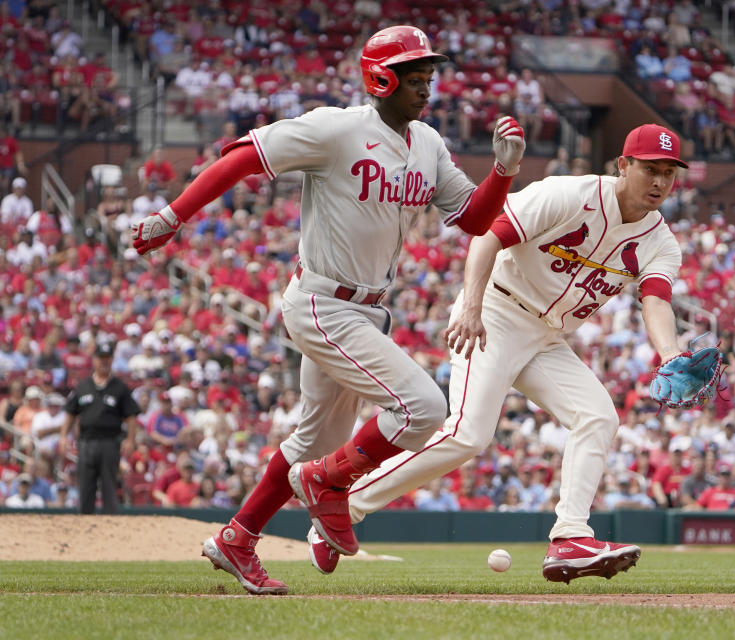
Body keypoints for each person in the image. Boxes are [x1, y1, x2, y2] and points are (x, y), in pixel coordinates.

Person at [130, 25, 525, 596]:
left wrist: (504, 172)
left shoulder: (429, 143)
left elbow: (471, 218)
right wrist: (173, 216)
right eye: (415, 78)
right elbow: (244, 158)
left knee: (311, 442)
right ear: (380, 79)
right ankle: (327, 483)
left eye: (429, 77)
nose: (426, 88)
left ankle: (237, 539)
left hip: (365, 311)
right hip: (322, 302)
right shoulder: (336, 129)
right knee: (423, 407)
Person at [329, 123, 689, 583]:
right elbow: (489, 236)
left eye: (669, 173)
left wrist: (672, 353)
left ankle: (570, 538)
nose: (660, 182)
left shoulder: (660, 241)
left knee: (598, 415)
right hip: (497, 311)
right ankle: (346, 505)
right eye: (650, 169)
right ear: (624, 165)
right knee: (467, 434)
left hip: (547, 337)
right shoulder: (568, 194)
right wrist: (473, 305)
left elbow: (656, 300)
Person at [60, 342, 140, 514]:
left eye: (107, 358)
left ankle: (110, 525)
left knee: (109, 485)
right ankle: (84, 520)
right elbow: (70, 412)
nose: (104, 362)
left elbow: (131, 416)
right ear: (94, 360)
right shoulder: (83, 386)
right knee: (85, 485)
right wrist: (63, 436)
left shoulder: (120, 387)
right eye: (101, 358)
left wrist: (130, 440)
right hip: (86, 442)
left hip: (110, 442)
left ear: (112, 360)